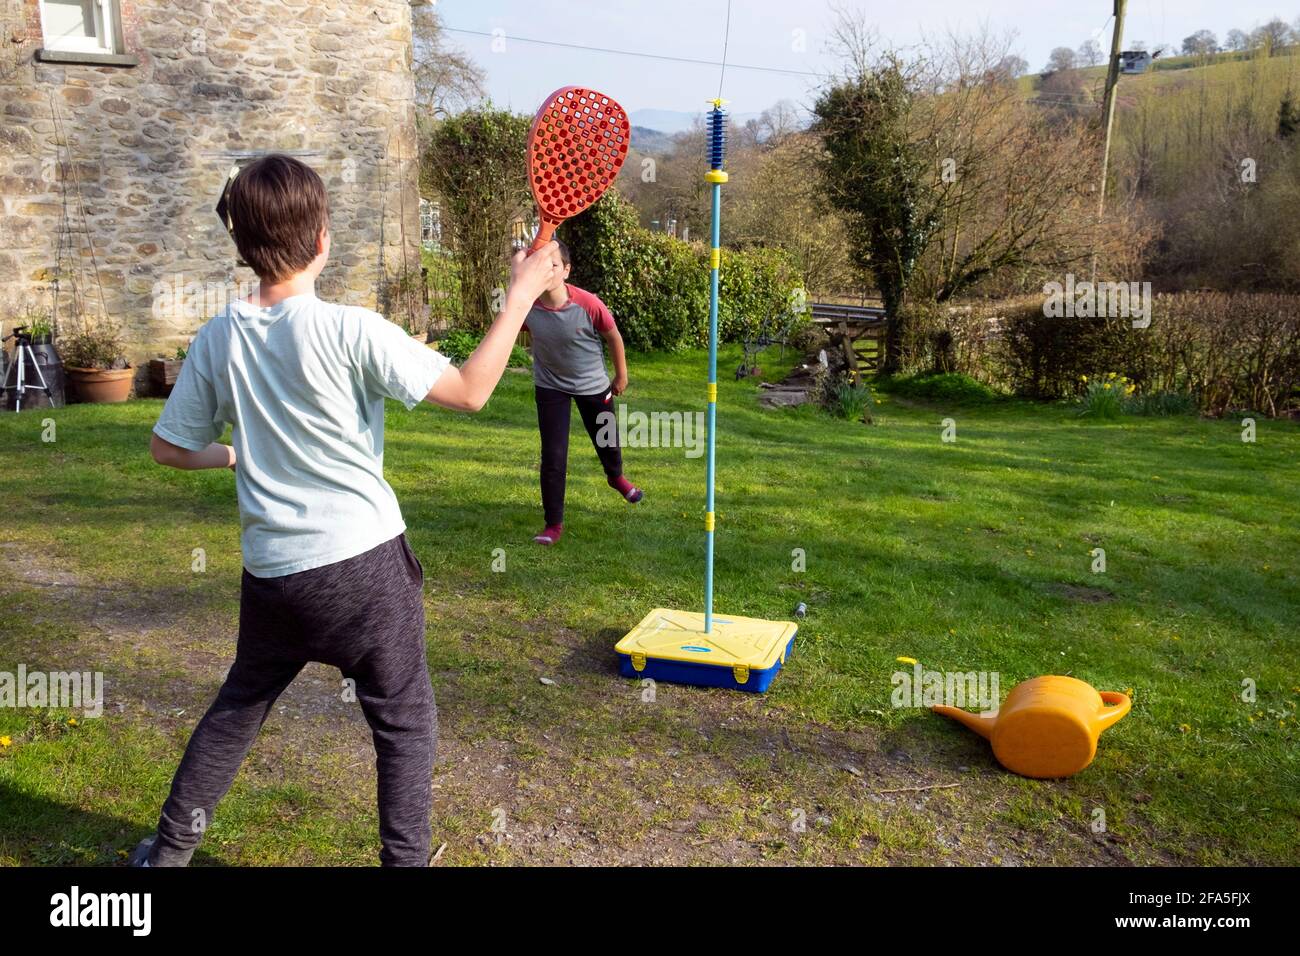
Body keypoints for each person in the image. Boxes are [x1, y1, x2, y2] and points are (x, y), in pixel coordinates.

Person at [132, 154, 558, 866]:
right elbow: (472, 390)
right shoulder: (352, 330)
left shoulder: (217, 337)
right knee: (404, 724)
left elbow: (169, 448)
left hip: (274, 577)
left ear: (241, 247)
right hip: (365, 574)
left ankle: (168, 853)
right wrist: (518, 298)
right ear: (323, 238)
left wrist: (231, 457)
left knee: (238, 710)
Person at [525, 239, 642, 547]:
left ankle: (616, 477)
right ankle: (553, 524)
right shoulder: (526, 304)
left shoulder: (588, 303)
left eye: (554, 265)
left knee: (607, 439)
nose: (547, 271)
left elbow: (613, 336)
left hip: (592, 384)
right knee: (553, 454)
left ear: (566, 270)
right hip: (550, 385)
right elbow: (510, 330)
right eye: (543, 265)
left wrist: (622, 374)